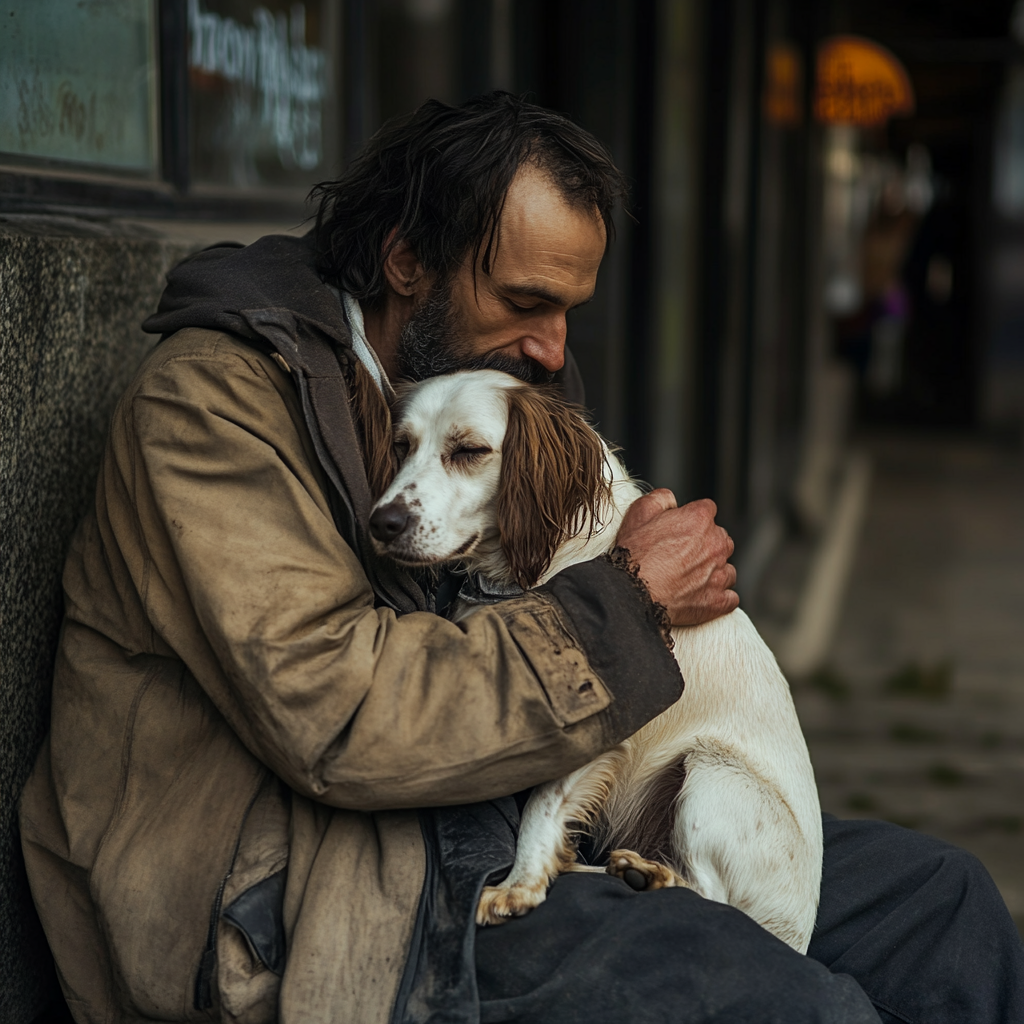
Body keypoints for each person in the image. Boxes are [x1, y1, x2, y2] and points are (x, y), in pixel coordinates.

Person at [19, 93, 1022, 1024]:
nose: (552, 347)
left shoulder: (475, 384)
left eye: (570, 309)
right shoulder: (212, 410)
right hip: (293, 887)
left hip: (489, 807)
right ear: (408, 261)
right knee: (789, 1005)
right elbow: (333, 715)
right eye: (527, 299)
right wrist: (625, 605)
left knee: (947, 906)